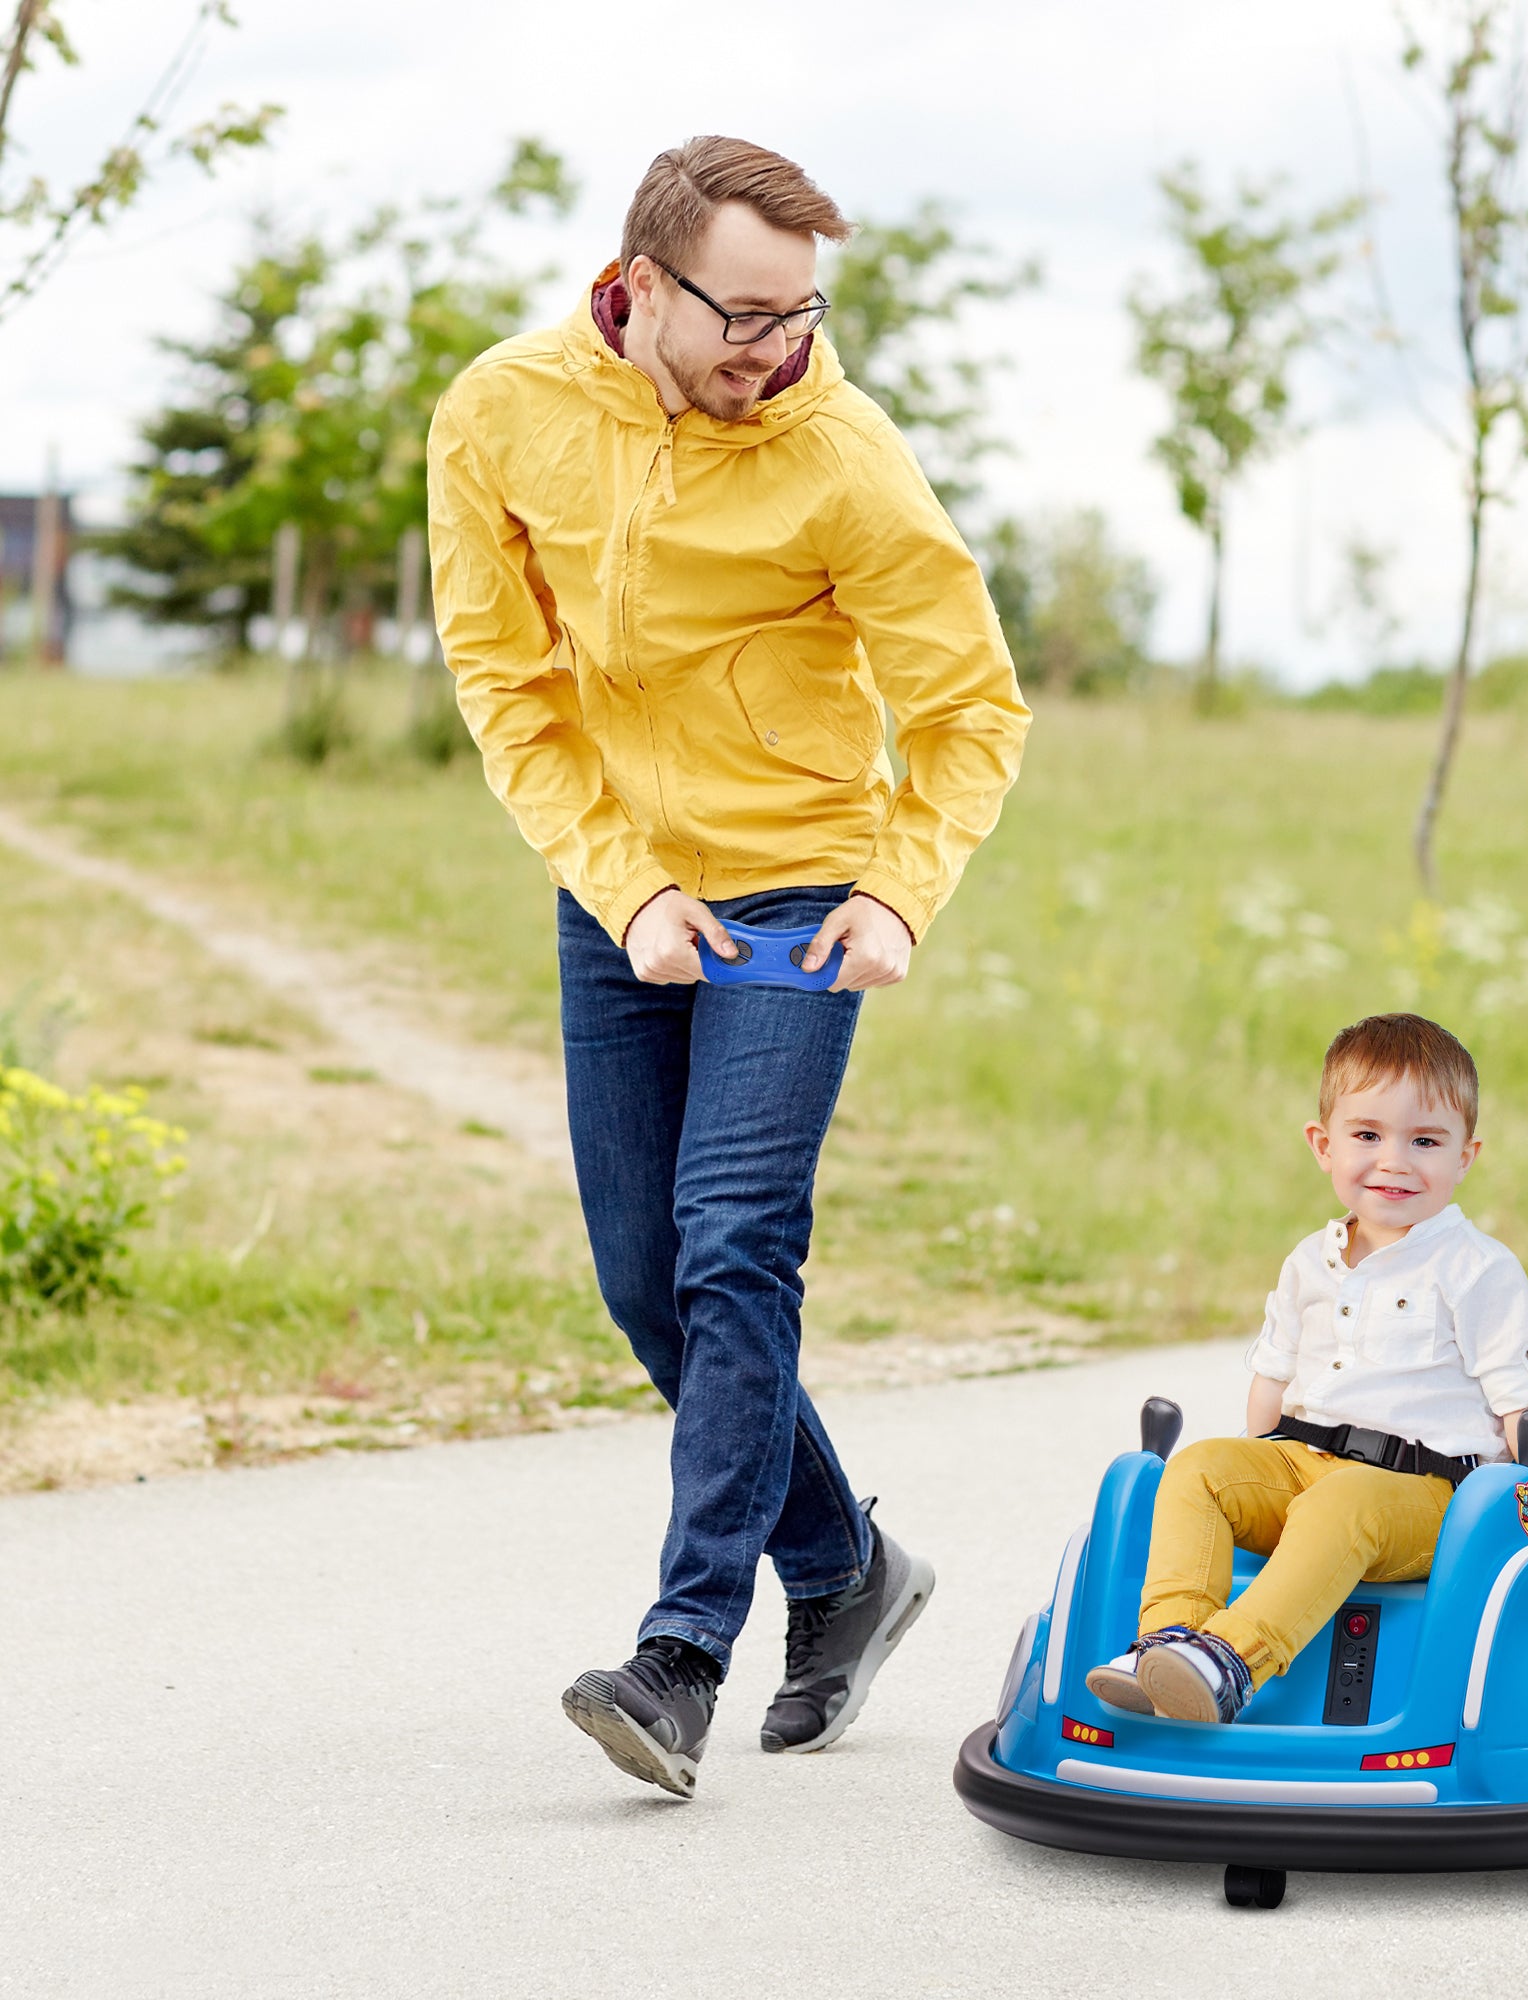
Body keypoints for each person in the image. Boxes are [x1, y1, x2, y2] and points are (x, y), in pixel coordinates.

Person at [426, 136, 1029, 1798]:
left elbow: (974, 708)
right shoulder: (500, 412)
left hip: (801, 895)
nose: (780, 347)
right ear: (641, 281)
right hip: (622, 889)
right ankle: (846, 1570)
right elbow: (509, 688)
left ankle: (680, 1659)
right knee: (644, 1279)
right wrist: (624, 894)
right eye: (745, 314)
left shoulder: (845, 458)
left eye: (802, 311)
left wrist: (901, 893)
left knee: (734, 1246)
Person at [1087, 1013, 1528, 1723]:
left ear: (1465, 1156)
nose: (1395, 1161)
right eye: (1368, 1136)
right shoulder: (1308, 1261)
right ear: (1324, 1145)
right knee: (1198, 1468)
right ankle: (1169, 1645)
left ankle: (1232, 1661)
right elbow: (1273, 1382)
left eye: (1426, 1141)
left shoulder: (1477, 1270)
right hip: (1305, 1466)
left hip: (1426, 1496)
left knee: (1340, 1504)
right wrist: (1255, 1471)